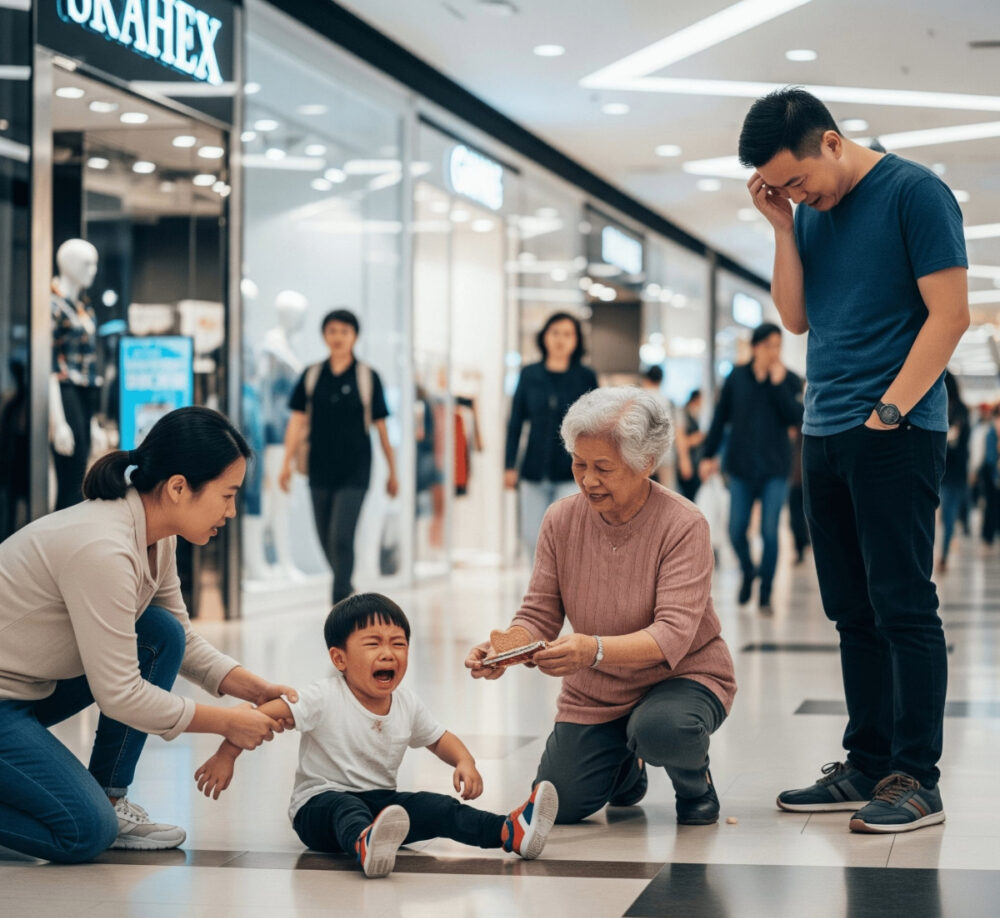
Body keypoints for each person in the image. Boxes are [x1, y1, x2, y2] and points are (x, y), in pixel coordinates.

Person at [740, 87, 969, 833]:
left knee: (903, 605)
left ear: (830, 142)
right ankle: (867, 761)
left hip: (895, 430)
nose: (798, 195)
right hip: (824, 428)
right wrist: (782, 223)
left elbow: (951, 314)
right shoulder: (806, 211)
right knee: (850, 611)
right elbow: (798, 317)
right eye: (782, 190)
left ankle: (916, 779)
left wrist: (890, 411)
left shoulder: (915, 193)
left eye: (797, 181)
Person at [0, 406, 298, 863]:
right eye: (227, 495)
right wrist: (226, 721)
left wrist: (253, 688)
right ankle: (101, 813)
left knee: (159, 633)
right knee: (84, 832)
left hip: (28, 688)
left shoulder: (157, 535)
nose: (233, 511)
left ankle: (110, 797)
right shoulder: (104, 548)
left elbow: (178, 638)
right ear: (179, 487)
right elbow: (120, 694)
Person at [469, 388, 736, 827]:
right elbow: (538, 614)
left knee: (661, 728)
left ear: (645, 463)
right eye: (579, 463)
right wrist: (504, 649)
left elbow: (671, 634)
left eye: (603, 468)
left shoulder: (684, 524)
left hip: (683, 676)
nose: (587, 480)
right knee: (562, 806)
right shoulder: (560, 519)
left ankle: (695, 785)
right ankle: (626, 769)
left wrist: (591, 650)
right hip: (596, 691)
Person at [193, 593, 559, 879]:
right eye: (373, 644)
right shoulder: (324, 696)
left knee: (438, 807)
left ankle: (510, 831)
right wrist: (226, 753)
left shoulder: (404, 702)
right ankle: (364, 843)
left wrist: (465, 760)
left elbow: (438, 737)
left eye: (398, 644)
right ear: (340, 659)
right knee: (345, 807)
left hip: (382, 806)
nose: (388, 653)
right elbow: (263, 714)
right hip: (318, 806)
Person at [279, 309, 399, 604]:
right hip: (318, 468)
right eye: (332, 331)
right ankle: (346, 587)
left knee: (341, 537)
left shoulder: (367, 377)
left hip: (356, 470)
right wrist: (286, 462)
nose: (338, 337)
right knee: (324, 539)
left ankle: (341, 602)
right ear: (324, 335)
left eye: (344, 331)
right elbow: (296, 421)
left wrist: (392, 471)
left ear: (354, 336)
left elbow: (382, 428)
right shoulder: (312, 375)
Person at [699, 323, 803, 613]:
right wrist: (708, 455)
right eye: (769, 345)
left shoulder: (790, 380)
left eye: (778, 345)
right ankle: (748, 571)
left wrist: (778, 384)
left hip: (775, 469)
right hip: (741, 468)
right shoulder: (737, 377)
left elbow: (797, 417)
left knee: (770, 532)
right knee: (735, 530)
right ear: (755, 347)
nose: (774, 351)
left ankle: (766, 594)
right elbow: (721, 418)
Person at [504, 312, 598, 559]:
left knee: (568, 537)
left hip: (573, 471)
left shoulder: (585, 377)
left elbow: (596, 425)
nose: (560, 340)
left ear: (576, 341)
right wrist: (509, 465)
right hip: (533, 469)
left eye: (567, 334)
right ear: (544, 337)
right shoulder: (529, 375)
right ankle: (540, 592)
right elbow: (515, 423)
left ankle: (566, 595)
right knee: (531, 536)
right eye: (555, 333)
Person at [938, 372, 970, 573]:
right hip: (943, 470)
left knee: (948, 514)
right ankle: (945, 549)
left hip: (955, 472)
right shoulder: (946, 409)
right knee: (944, 515)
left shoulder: (960, 411)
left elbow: (959, 443)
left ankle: (944, 555)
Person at [674, 389, 705, 503]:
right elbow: (680, 440)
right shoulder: (682, 415)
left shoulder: (693, 415)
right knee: (688, 499)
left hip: (695, 462)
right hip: (688, 463)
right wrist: (685, 462)